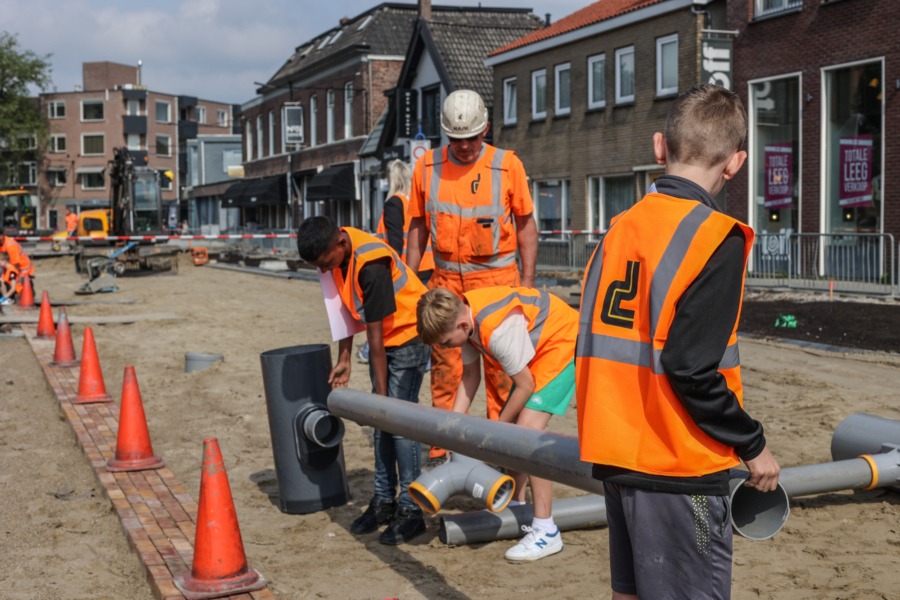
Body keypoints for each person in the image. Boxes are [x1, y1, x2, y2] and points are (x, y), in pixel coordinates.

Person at [576, 84, 780, 600]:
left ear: (658, 147)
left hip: (615, 456)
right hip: (679, 465)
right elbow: (690, 367)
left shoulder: (618, 230)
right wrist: (752, 444)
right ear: (735, 164)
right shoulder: (715, 235)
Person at [405, 89, 538, 466]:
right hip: (447, 287)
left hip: (498, 289)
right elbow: (417, 228)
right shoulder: (427, 167)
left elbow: (526, 227)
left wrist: (527, 284)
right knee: (445, 372)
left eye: (472, 138)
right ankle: (442, 450)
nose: (464, 146)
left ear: (486, 129)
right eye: (456, 139)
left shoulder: (507, 166)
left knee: (502, 373)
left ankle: (502, 452)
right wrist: (411, 285)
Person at [297, 215, 432, 545]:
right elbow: (343, 311)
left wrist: (379, 403)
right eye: (319, 267)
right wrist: (344, 358)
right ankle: (384, 501)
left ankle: (412, 509)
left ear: (340, 244)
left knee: (399, 424)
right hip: (383, 343)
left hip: (408, 337)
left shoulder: (372, 263)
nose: (324, 270)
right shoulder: (334, 256)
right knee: (382, 425)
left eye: (325, 264)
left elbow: (374, 338)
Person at [417, 285, 577, 561]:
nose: (445, 348)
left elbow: (525, 386)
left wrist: (494, 433)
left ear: (462, 325)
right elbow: (470, 377)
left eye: (445, 341)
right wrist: (451, 427)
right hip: (537, 351)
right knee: (512, 427)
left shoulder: (497, 330)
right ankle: (517, 503)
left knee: (527, 434)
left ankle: (546, 530)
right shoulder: (466, 321)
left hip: (561, 343)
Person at [359, 159, 436, 364]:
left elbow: (395, 241)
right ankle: (427, 355)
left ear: (391, 178)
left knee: (397, 313)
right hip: (427, 264)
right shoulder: (417, 202)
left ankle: (370, 349)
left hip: (405, 268)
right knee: (424, 312)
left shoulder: (394, 203)